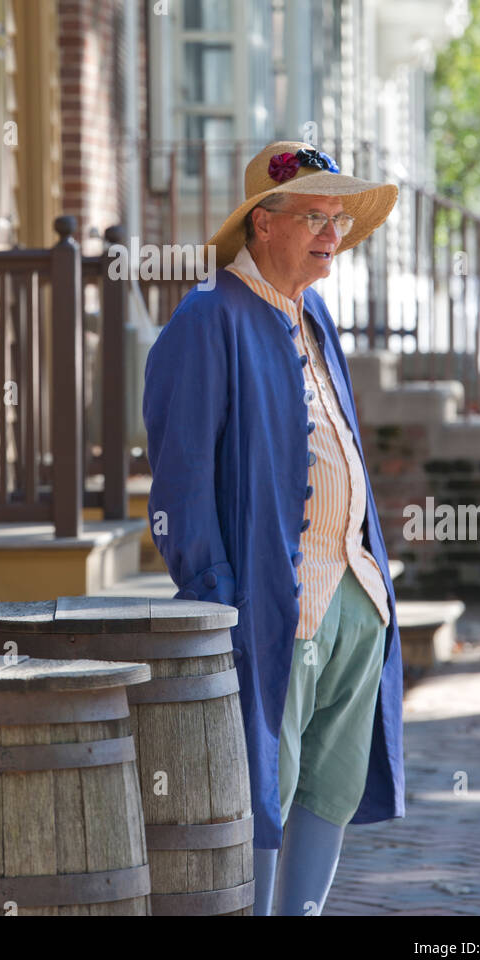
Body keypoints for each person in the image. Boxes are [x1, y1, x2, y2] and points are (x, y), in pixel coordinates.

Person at [142, 140, 405, 916]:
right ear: (262, 224)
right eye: (314, 217)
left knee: (330, 785)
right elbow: (181, 481)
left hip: (352, 592)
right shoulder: (207, 318)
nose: (332, 234)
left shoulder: (315, 312)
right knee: (262, 789)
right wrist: (220, 598)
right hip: (274, 603)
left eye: (338, 219)